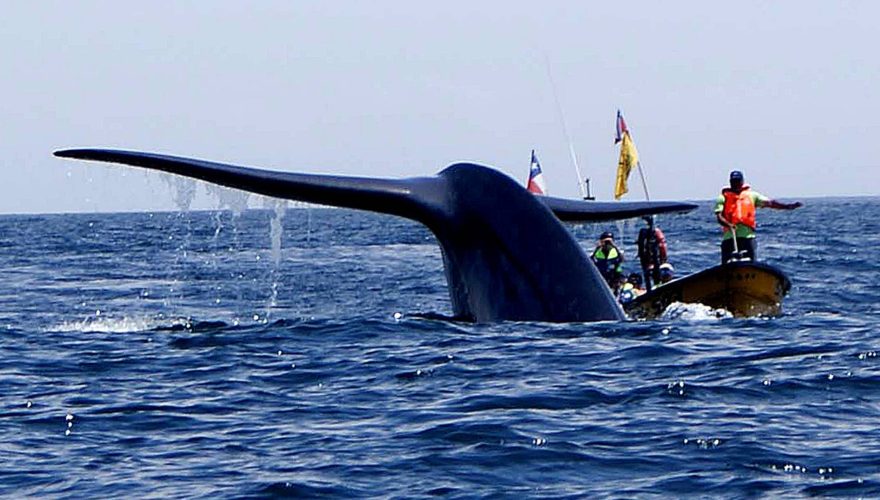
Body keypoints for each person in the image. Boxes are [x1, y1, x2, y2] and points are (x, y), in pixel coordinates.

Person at [714, 170, 802, 264]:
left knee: (750, 262)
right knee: (727, 262)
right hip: (730, 238)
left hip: (747, 237)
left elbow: (770, 203)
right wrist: (729, 224)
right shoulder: (723, 197)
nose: (735, 184)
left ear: (742, 181)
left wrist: (787, 206)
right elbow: (719, 217)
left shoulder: (752, 195)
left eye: (737, 181)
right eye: (733, 181)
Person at [636, 215, 668, 291]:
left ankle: (653, 288)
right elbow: (662, 246)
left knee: (651, 276)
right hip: (651, 258)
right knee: (654, 276)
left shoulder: (647, 233)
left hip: (649, 258)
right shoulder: (648, 232)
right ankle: (655, 288)